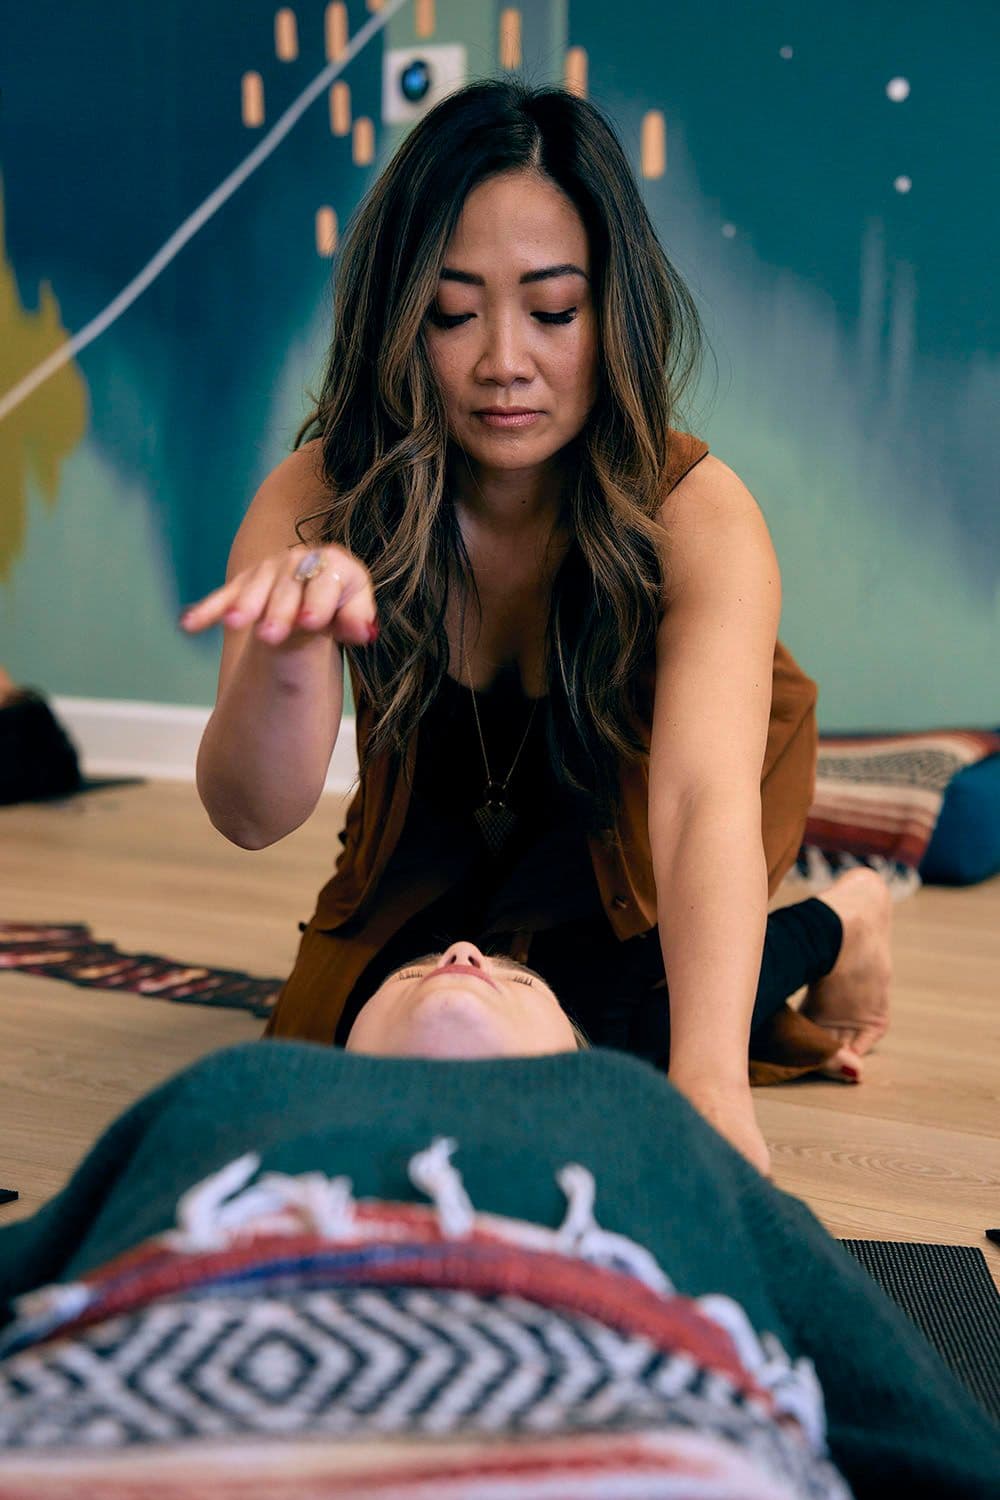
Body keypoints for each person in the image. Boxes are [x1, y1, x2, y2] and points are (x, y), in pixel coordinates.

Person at [180, 79, 892, 1177]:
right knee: (331, 1045)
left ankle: (848, 916)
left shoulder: (699, 516)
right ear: (396, 319)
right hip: (437, 817)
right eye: (451, 314)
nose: (502, 362)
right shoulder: (319, 500)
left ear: (615, 314)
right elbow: (247, 816)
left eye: (553, 312)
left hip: (649, 794)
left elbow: (699, 807)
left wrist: (709, 1090)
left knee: (657, 1042)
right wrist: (289, 656)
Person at [0, 969, 995, 1496]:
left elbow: (861, 1351)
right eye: (413, 969)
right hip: (136, 1386)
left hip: (628, 1411)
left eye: (520, 982)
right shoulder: (239, 1081)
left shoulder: (628, 1101)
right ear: (343, 1040)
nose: (464, 956)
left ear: (570, 1048)